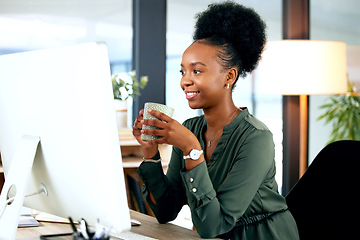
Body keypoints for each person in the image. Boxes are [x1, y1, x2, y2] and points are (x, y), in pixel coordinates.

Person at [132, 1, 299, 239]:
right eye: (183, 71)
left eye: (197, 71)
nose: (184, 81)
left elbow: (214, 226)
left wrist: (192, 149)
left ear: (229, 76)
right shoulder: (191, 129)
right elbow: (165, 211)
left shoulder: (256, 138)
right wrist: (150, 152)